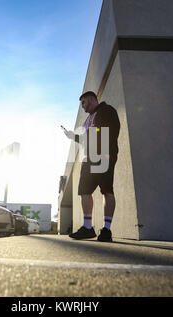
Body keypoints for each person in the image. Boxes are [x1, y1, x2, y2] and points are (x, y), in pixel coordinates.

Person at [64, 91, 120, 242]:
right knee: (84, 191)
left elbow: (108, 132)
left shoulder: (106, 110)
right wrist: (73, 137)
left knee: (107, 190)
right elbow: (86, 139)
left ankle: (106, 230)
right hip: (88, 158)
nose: (82, 107)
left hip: (103, 155)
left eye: (83, 103)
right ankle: (87, 227)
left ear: (90, 99)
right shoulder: (89, 119)